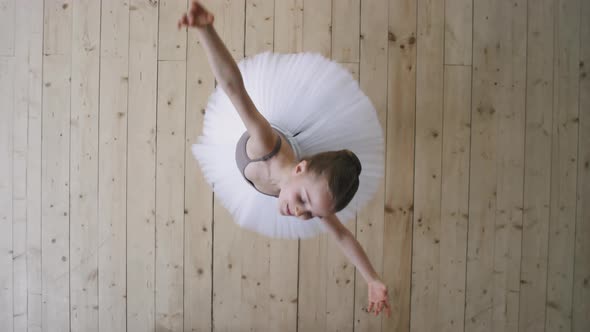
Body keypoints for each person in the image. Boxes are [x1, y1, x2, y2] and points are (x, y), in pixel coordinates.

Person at [179, 1, 391, 318]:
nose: (298, 213)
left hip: (280, 172)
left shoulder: (309, 197)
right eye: (304, 200)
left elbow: (343, 235)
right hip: (264, 145)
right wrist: (206, 29)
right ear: (301, 167)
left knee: (315, 205)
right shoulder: (265, 143)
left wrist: (372, 279)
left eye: (309, 214)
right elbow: (234, 88)